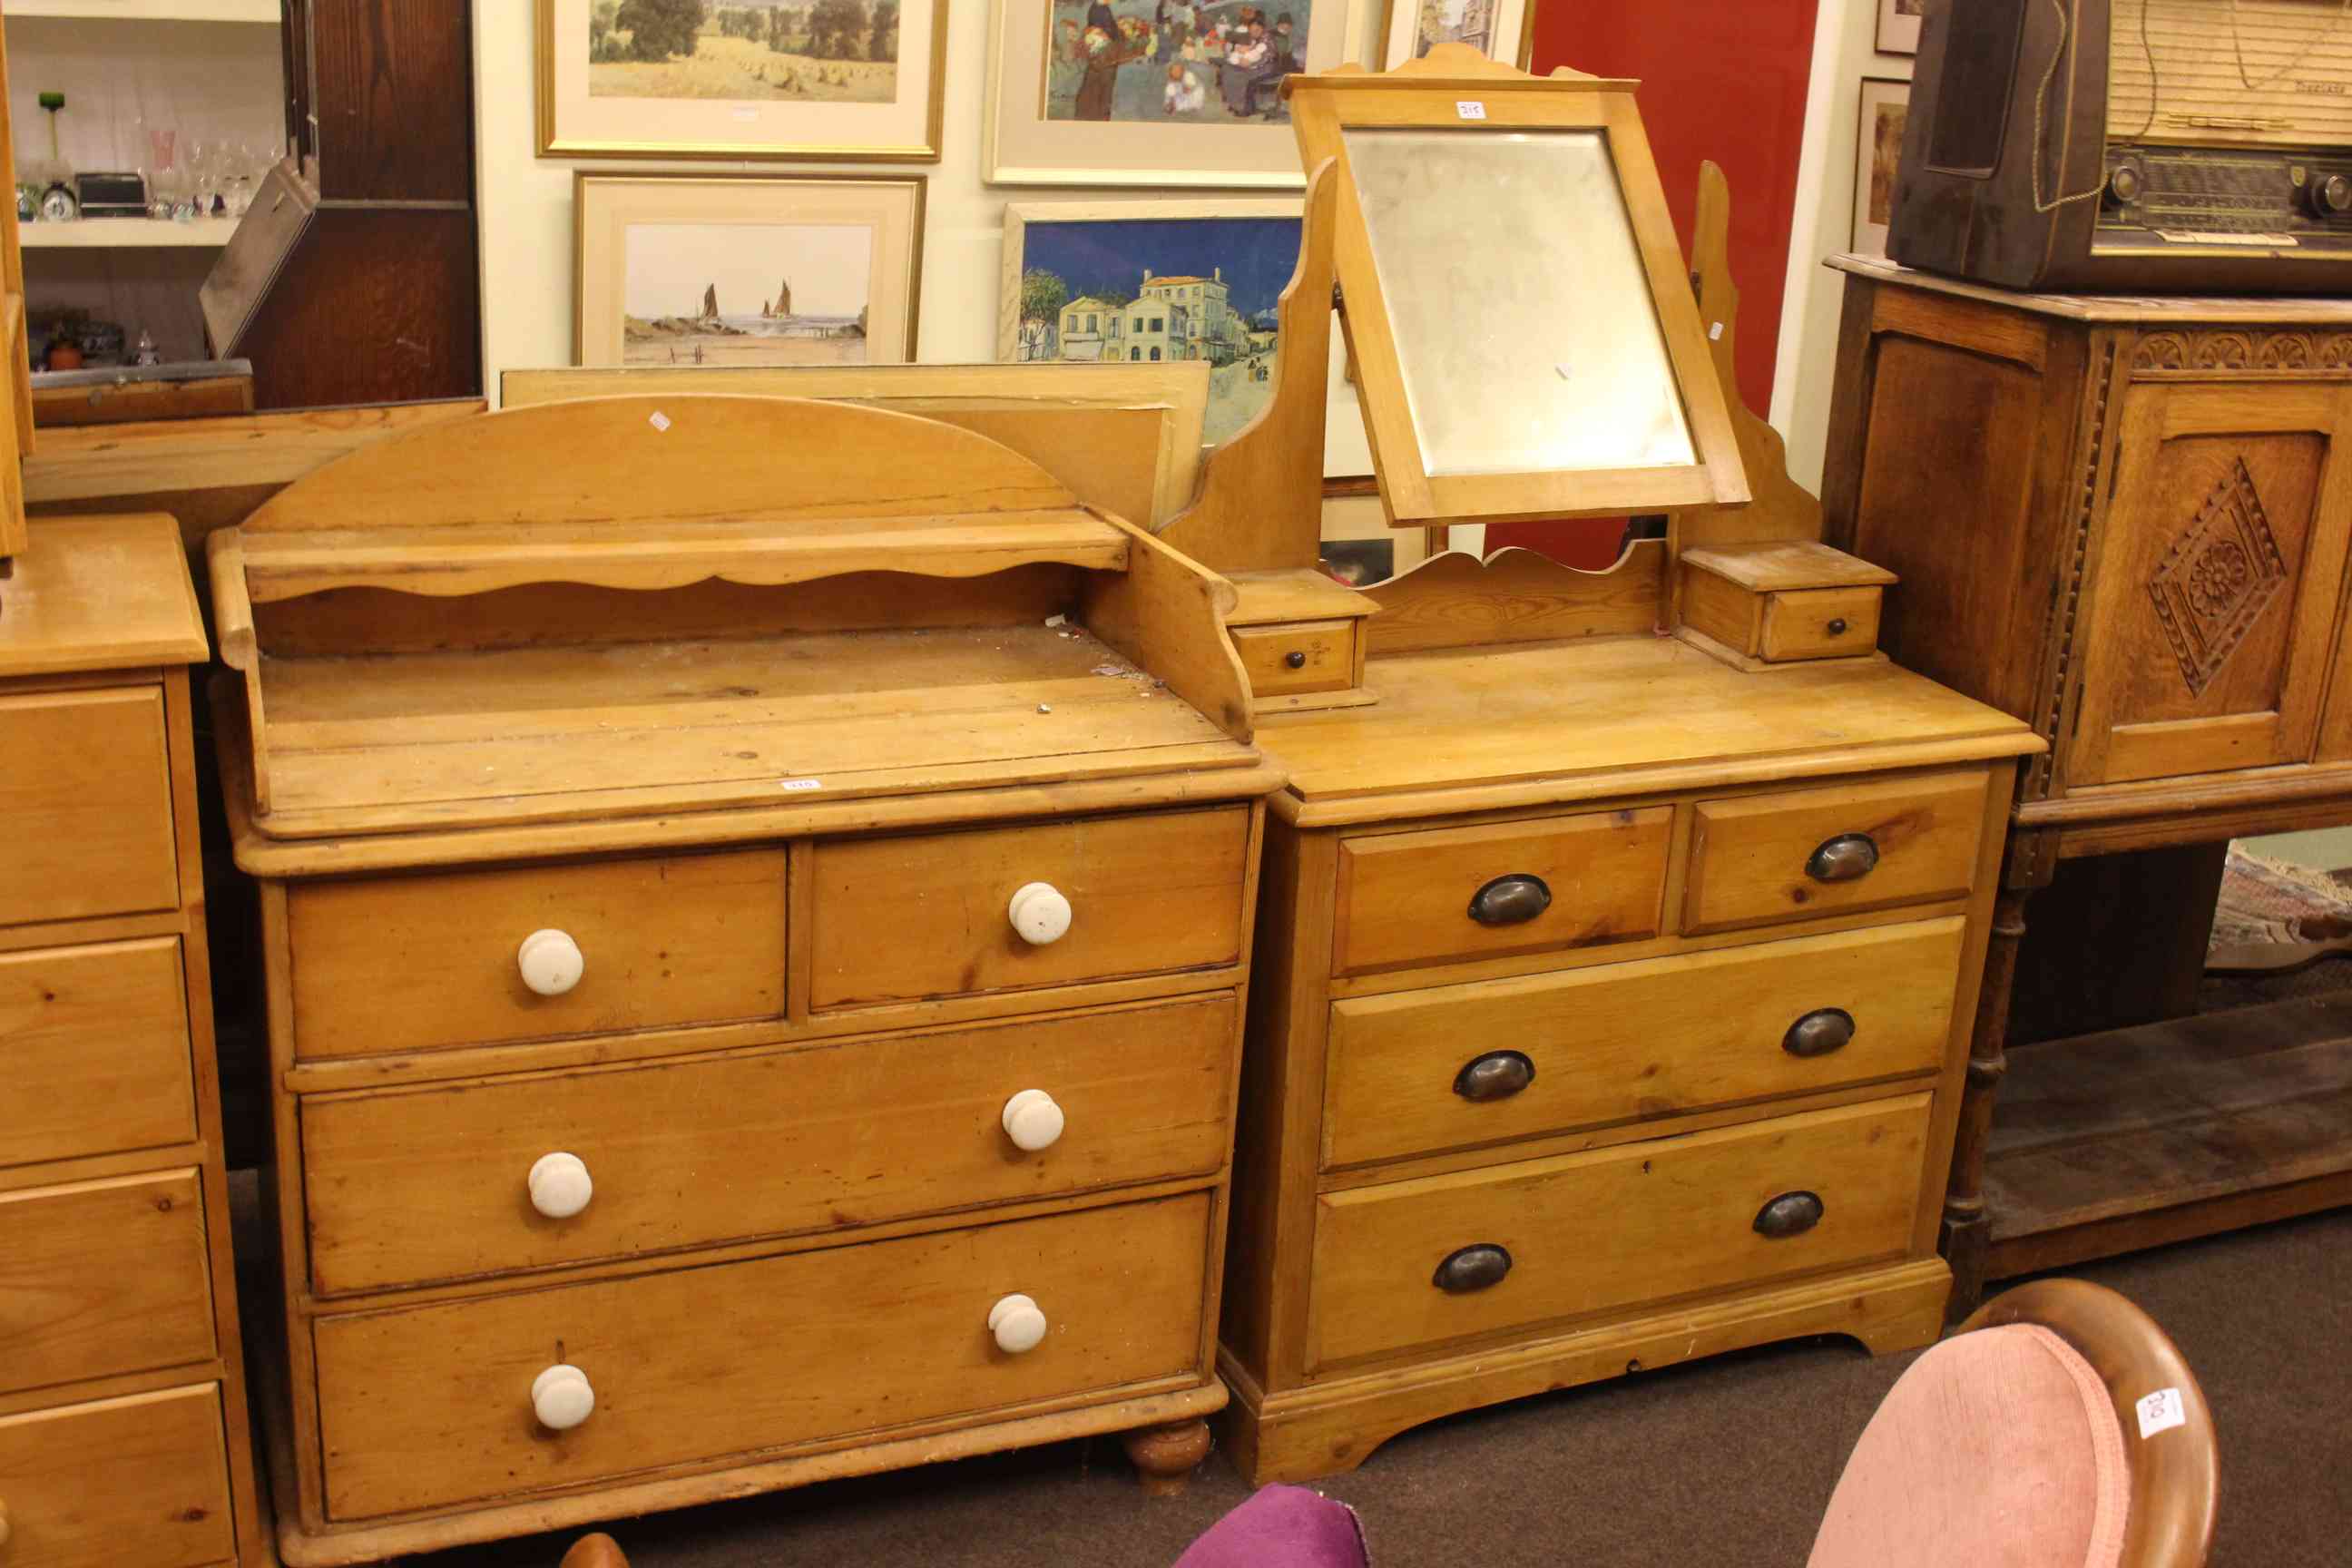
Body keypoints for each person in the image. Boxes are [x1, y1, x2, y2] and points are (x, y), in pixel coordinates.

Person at [1073, 3, 1124, 121]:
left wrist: (1117, 29)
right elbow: (1101, 33)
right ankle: (1098, 117)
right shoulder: (1097, 10)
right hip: (1103, 59)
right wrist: (1114, 33)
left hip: (1103, 59)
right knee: (1101, 90)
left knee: (1098, 90)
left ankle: (1096, 115)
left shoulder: (1103, 8)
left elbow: (1108, 31)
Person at [1220, 18, 1277, 116]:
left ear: (1262, 29)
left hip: (1267, 67)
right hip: (1251, 64)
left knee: (1241, 76)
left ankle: (1244, 108)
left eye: (1256, 30)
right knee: (1228, 69)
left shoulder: (1266, 39)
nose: (1253, 33)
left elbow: (1267, 58)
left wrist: (1250, 64)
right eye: (1251, 31)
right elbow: (1244, 51)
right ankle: (1234, 103)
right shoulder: (1251, 38)